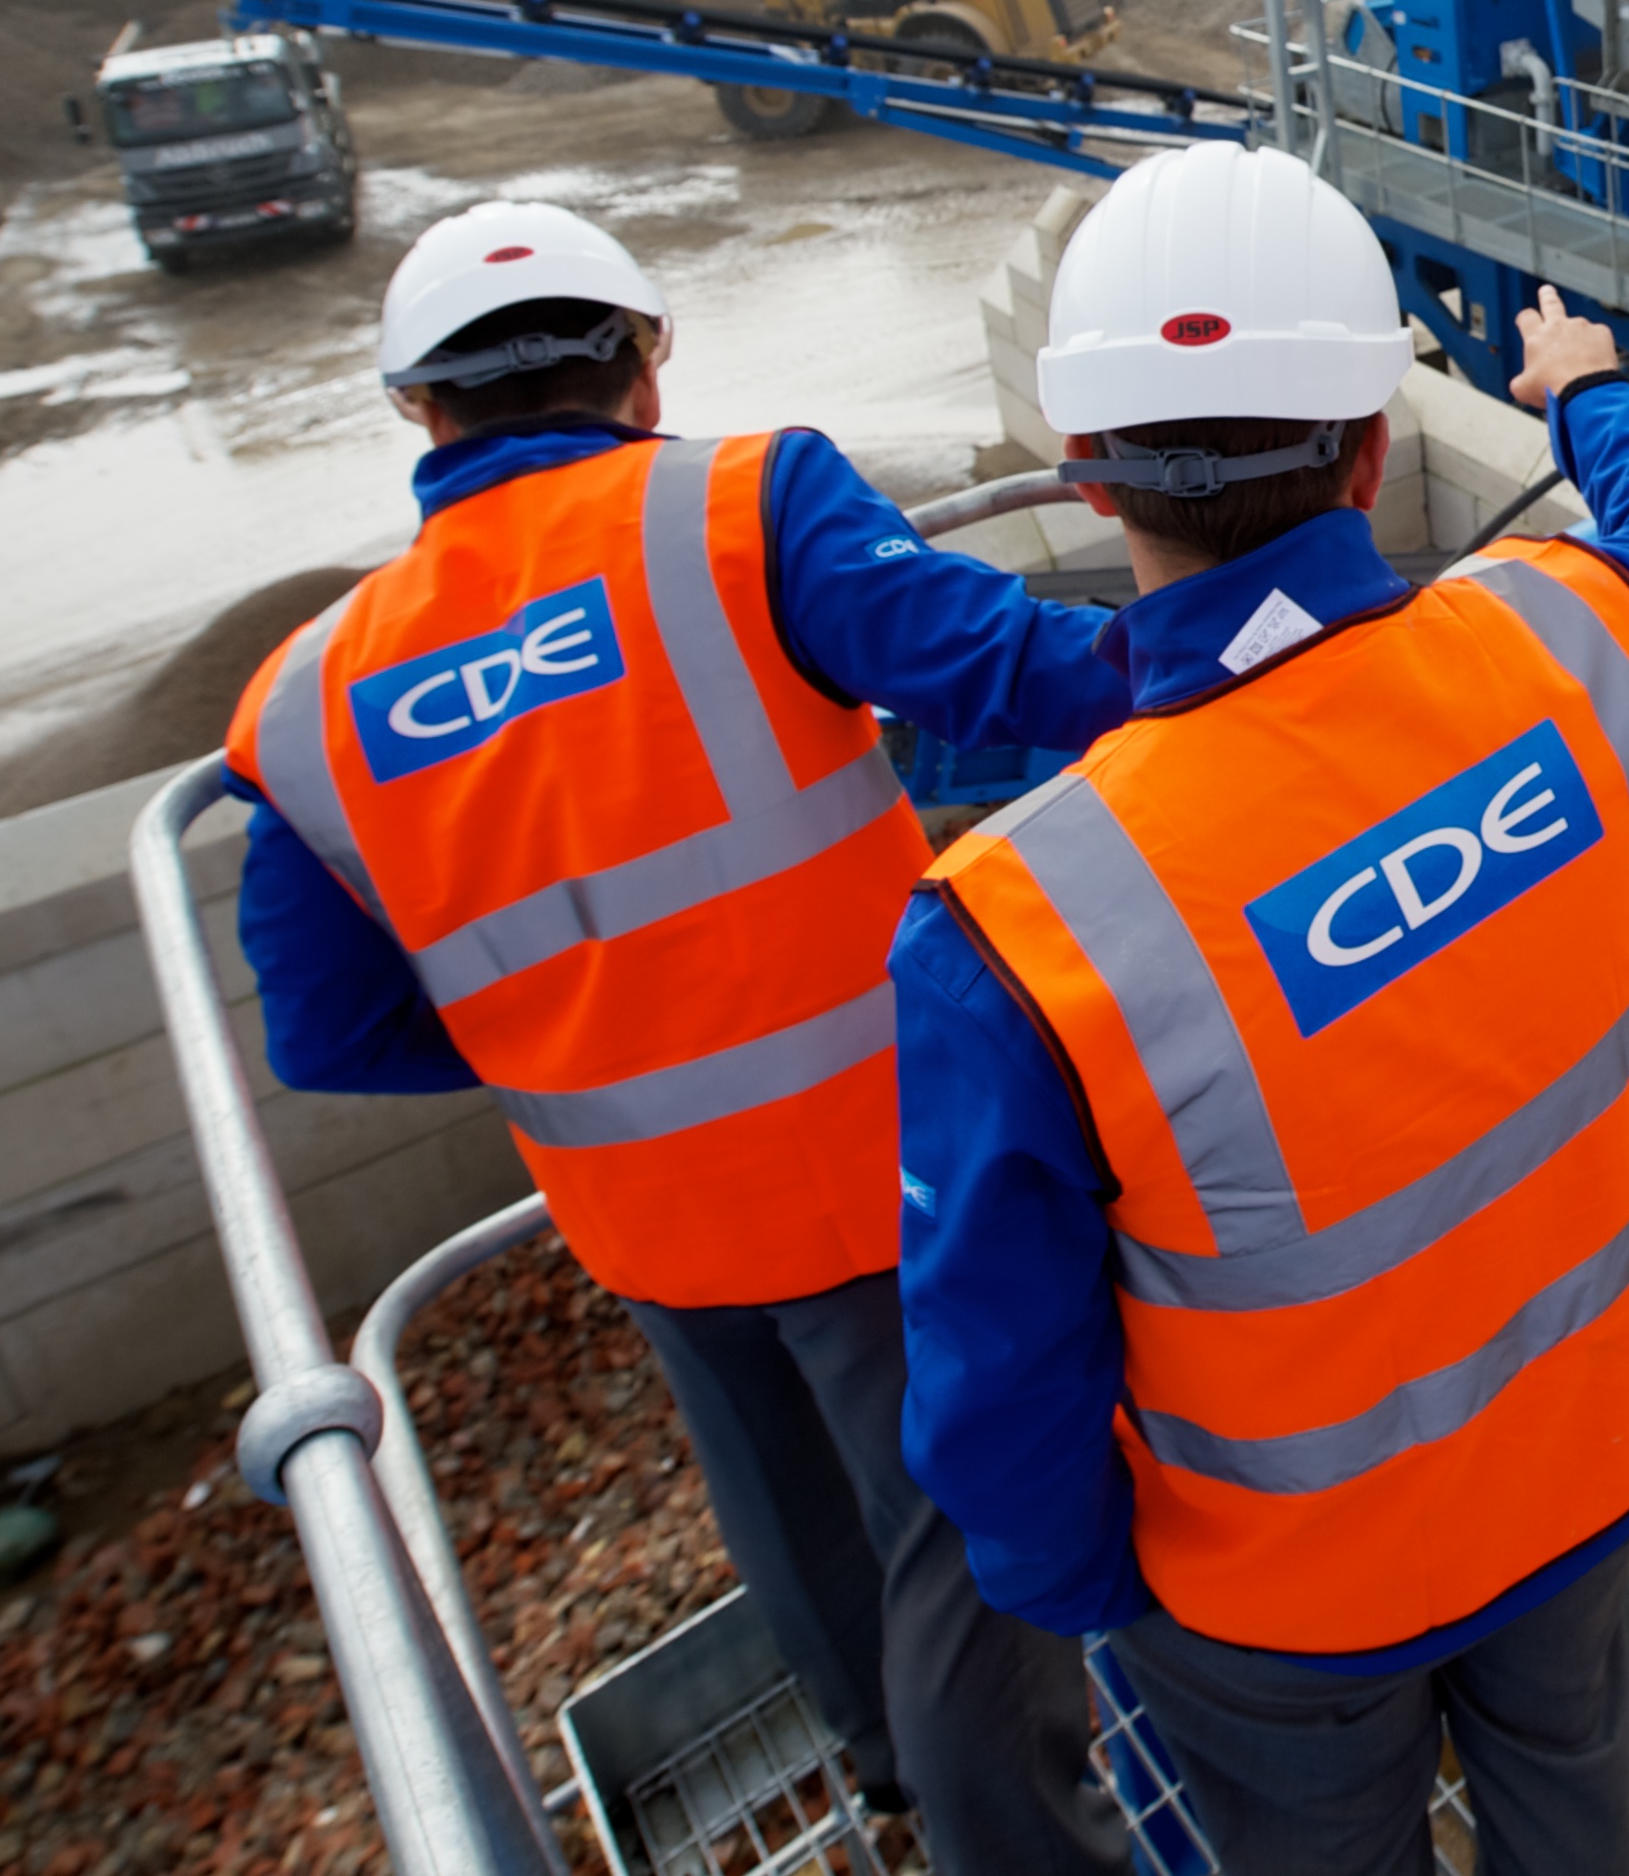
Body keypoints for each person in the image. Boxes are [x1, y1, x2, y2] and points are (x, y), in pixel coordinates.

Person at [224, 197, 1129, 1871]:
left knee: (790, 1513)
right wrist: (1261, 639)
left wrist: (574, 1035)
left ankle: (882, 1781)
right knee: (971, 1550)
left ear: (419, 413)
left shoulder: (307, 697)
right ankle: (1023, 1850)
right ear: (641, 364)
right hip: (887, 1173)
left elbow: (331, 1026)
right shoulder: (735, 506)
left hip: (641, 1209)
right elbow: (997, 668)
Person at [891, 143, 1629, 1876]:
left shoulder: (1016, 926)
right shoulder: (1557, 651)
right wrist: (1585, 396)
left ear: (1086, 473)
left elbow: (1002, 1390)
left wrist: (1110, 1590)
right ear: (1367, 448)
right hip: (1580, 1467)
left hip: (1286, 1595)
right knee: (1575, 1804)